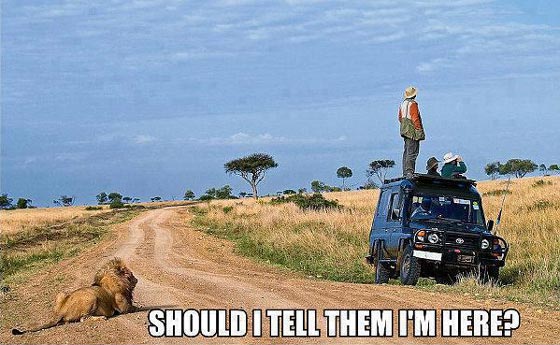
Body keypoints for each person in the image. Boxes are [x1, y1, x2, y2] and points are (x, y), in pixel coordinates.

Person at [398, 86, 425, 177]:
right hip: (412, 130)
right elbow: (415, 118)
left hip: (404, 130)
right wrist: (418, 130)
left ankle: (405, 172)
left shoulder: (403, 104)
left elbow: (400, 118)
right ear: (414, 95)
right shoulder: (413, 104)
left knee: (406, 151)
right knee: (412, 152)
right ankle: (409, 172)